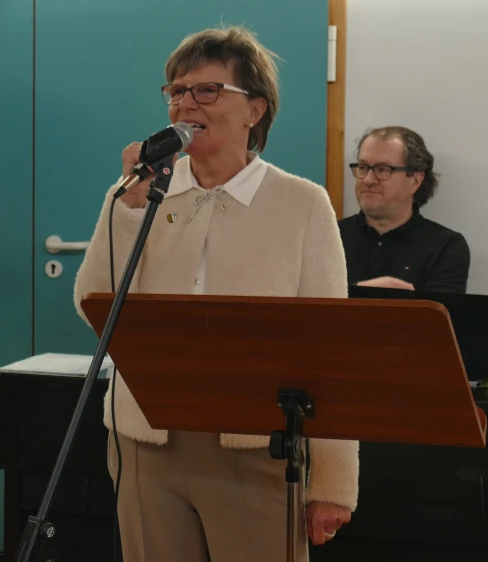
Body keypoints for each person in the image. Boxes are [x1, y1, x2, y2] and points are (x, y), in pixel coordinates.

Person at [73, 25, 358, 562]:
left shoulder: (302, 204)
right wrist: (128, 206)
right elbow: (94, 305)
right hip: (145, 440)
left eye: (207, 90)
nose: (186, 103)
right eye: (177, 91)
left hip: (255, 446)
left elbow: (330, 349)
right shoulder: (141, 193)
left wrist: (334, 480)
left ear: (255, 109)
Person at [339, 126, 471, 293]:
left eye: (382, 169)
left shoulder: (446, 247)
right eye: (363, 167)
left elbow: (442, 309)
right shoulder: (328, 236)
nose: (368, 180)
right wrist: (363, 291)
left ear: (415, 181)